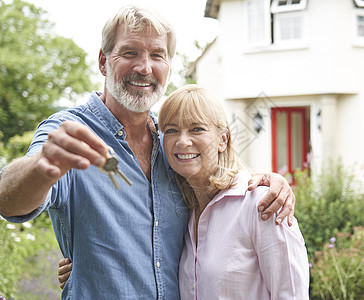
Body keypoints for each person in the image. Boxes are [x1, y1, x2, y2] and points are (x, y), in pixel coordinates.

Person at [0, 5, 295, 299]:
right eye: (130, 53)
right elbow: (7, 200)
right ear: (104, 61)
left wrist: (268, 182)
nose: (145, 67)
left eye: (157, 55)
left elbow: (221, 186)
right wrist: (42, 166)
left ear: (169, 66)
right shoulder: (66, 132)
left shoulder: (174, 145)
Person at [59, 85, 310, 298]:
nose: (182, 141)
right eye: (171, 130)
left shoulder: (263, 204)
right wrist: (87, 264)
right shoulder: (183, 209)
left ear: (223, 139)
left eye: (197, 129)